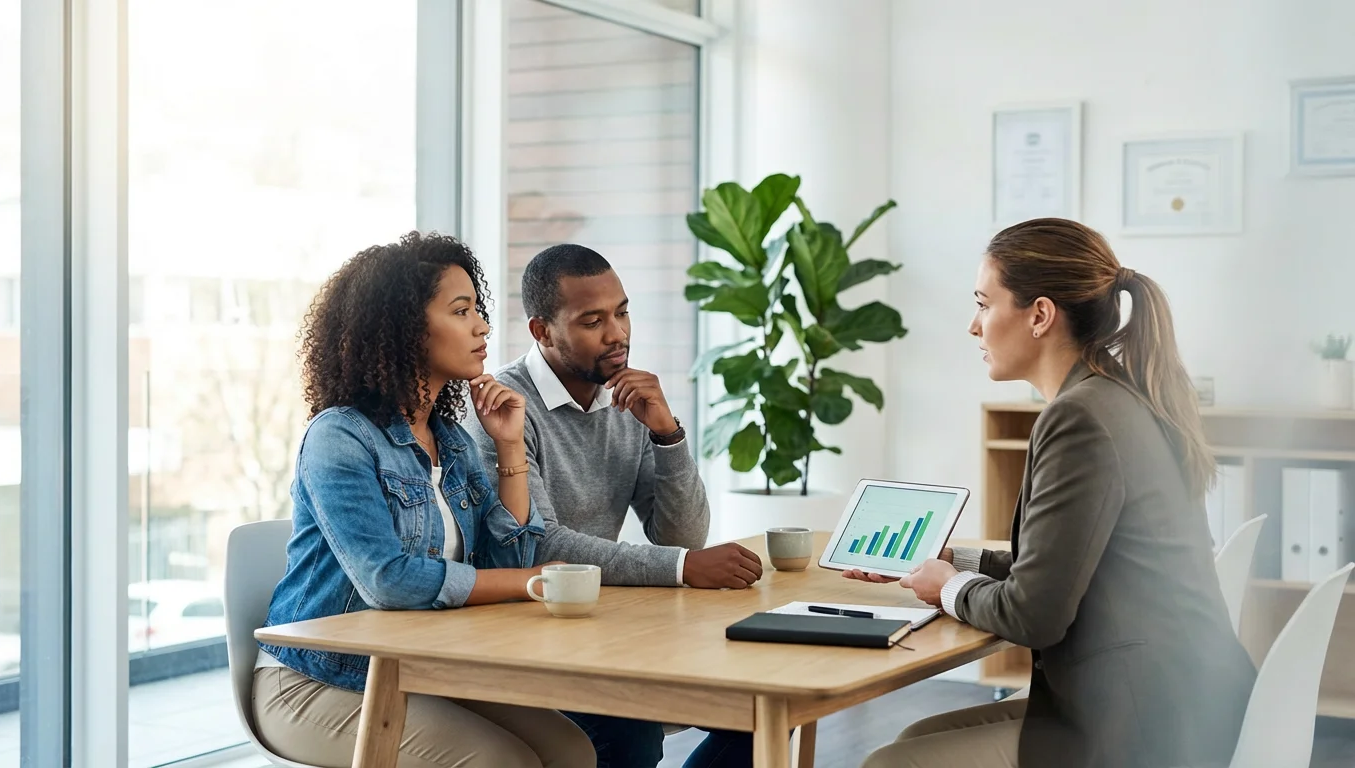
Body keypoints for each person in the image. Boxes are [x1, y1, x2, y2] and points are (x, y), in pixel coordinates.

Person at [850, 219, 1257, 768]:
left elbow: (1034, 616)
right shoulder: (1116, 395)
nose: (973, 326)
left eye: (984, 304)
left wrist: (948, 587)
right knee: (911, 740)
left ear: (1040, 315)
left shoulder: (1079, 418)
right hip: (1177, 697)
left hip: (1143, 723)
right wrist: (955, 561)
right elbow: (1074, 564)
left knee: (891, 764)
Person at [254, 232, 595, 768]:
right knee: (501, 763)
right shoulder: (338, 436)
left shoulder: (452, 439)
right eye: (461, 311)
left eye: (477, 309)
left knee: (572, 751)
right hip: (314, 681)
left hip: (416, 668)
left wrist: (510, 446)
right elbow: (388, 580)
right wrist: (533, 582)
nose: (482, 326)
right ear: (405, 330)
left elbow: (507, 563)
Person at [466, 243, 763, 767]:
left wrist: (668, 435)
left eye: (622, 313)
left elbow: (681, 536)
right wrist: (683, 567)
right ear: (542, 331)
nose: (617, 334)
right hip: (522, 629)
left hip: (605, 622)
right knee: (628, 734)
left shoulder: (627, 399)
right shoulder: (503, 409)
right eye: (593, 321)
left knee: (760, 705)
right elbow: (540, 545)